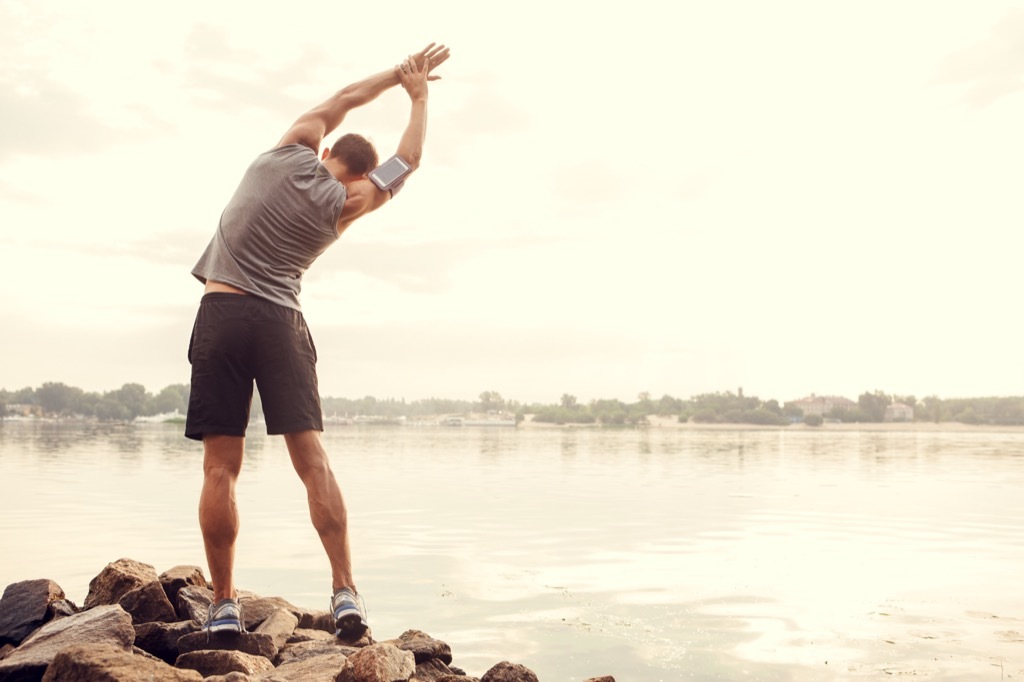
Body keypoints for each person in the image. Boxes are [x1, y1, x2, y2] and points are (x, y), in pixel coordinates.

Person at [183, 42, 450, 642]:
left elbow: (346, 99)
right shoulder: (349, 203)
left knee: (220, 468)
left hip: (222, 312)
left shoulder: (283, 154)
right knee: (312, 463)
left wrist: (396, 74)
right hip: (280, 322)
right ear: (359, 173)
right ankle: (345, 593)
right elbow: (408, 160)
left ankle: (223, 604)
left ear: (327, 150)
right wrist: (420, 96)